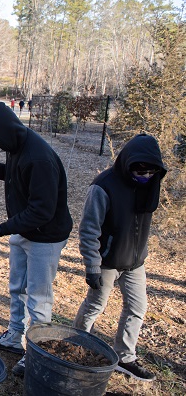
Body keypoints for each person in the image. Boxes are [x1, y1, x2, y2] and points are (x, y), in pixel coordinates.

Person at [0, 101, 72, 377]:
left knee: (38, 297)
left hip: (45, 237)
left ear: (6, 133)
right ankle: (16, 335)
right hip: (23, 230)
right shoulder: (18, 147)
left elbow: (41, 211)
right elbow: (19, 177)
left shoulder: (39, 157)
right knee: (17, 287)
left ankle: (36, 352)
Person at [73, 134, 166, 382]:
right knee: (95, 306)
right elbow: (89, 230)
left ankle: (125, 357)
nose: (145, 176)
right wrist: (92, 266)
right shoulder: (103, 186)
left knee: (137, 308)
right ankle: (76, 346)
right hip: (106, 262)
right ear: (128, 163)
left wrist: (140, 254)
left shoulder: (150, 184)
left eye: (150, 172)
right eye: (140, 171)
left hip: (135, 263)